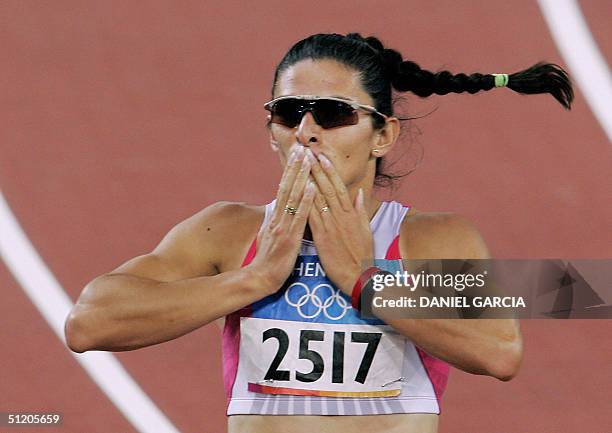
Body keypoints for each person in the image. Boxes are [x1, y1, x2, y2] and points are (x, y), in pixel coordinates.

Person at [65, 33, 573, 433]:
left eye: (333, 113)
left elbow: (499, 350)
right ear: (272, 131)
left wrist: (363, 280)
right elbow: (89, 323)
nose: (307, 130)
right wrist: (253, 279)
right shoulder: (229, 232)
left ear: (383, 135)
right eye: (288, 112)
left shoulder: (429, 242)